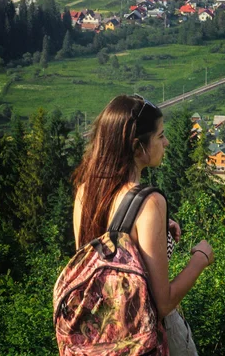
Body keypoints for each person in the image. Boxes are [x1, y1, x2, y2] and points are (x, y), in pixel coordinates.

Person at [72, 94, 214, 355]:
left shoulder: (85, 193)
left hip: (102, 334)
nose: (167, 142)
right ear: (138, 147)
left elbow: (104, 265)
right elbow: (162, 303)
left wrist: (159, 233)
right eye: (160, 136)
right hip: (148, 337)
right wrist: (200, 258)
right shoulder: (150, 202)